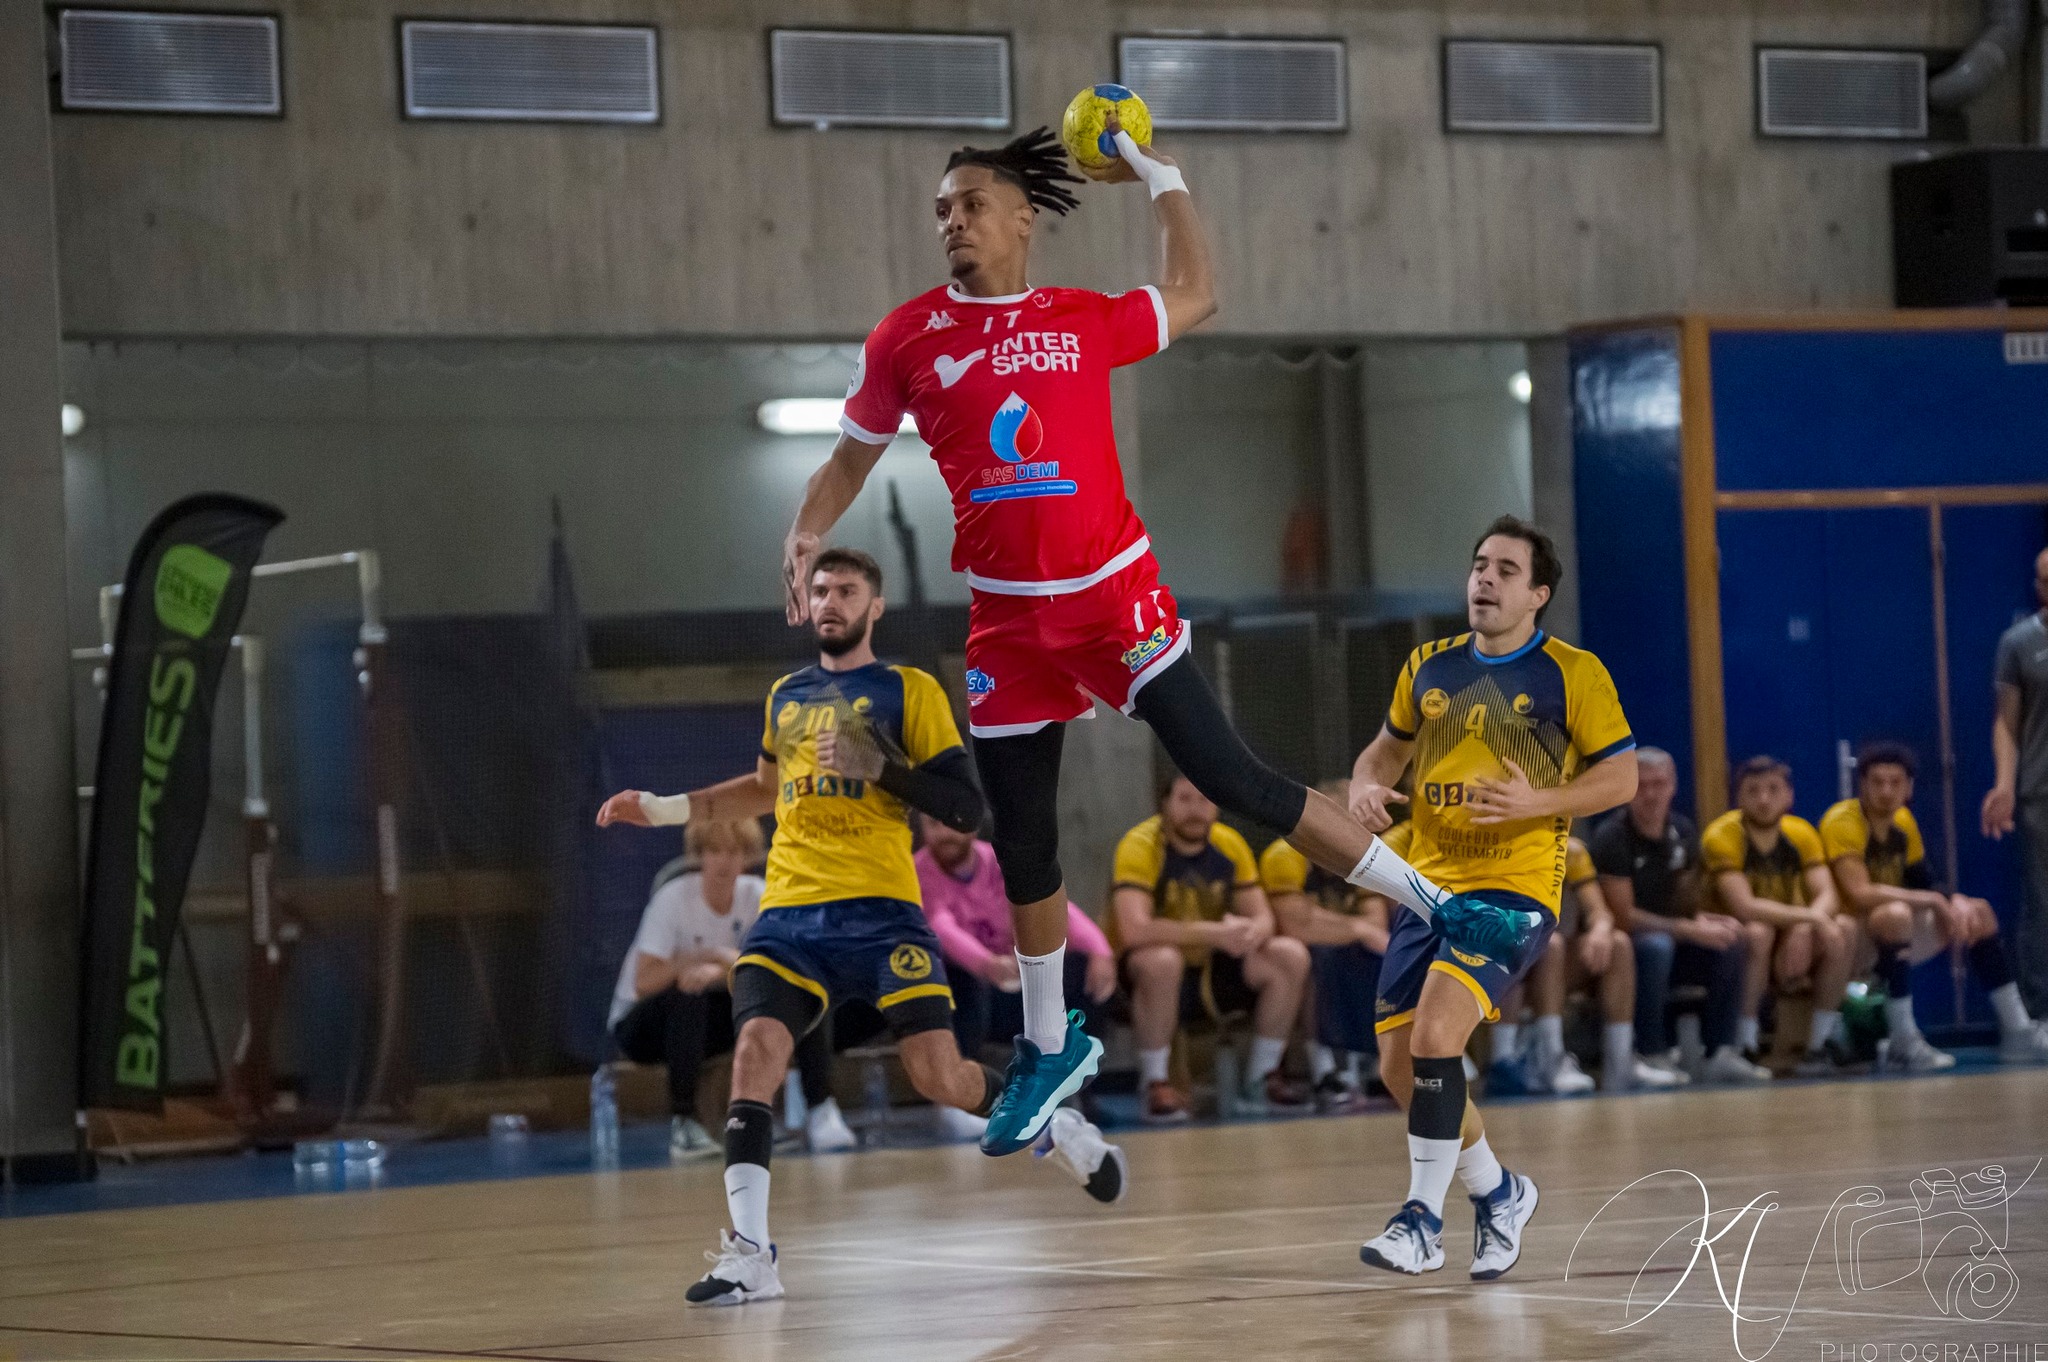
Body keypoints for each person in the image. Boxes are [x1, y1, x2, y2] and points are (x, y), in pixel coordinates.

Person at [781, 121, 1470, 1159]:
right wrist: (804, 527)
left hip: (1111, 597)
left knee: (1230, 775)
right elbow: (849, 457)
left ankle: (1439, 905)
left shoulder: (1079, 317)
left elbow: (1197, 290)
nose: (952, 223)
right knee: (1022, 839)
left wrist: (1160, 177)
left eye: (969, 205)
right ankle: (1049, 1047)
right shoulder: (906, 338)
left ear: (1023, 220)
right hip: (1008, 617)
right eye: (939, 211)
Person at [596, 548, 1127, 1307]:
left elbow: (968, 810)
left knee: (938, 1075)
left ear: (873, 607)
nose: (830, 600)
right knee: (754, 1054)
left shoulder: (907, 690)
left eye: (846, 589)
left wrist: (879, 768)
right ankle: (752, 1253)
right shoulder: (786, 694)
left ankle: (1058, 1128)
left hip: (882, 914)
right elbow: (762, 790)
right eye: (820, 589)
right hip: (789, 917)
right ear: (806, 604)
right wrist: (664, 807)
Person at [1348, 517, 1639, 1280]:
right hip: (1426, 887)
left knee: (1438, 1039)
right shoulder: (1428, 667)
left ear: (1538, 594)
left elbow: (1621, 778)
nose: (1485, 579)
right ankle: (1500, 1193)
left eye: (1506, 570)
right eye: (1479, 565)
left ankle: (1419, 1220)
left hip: (1513, 889)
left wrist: (1537, 800)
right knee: (1397, 1067)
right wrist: (1366, 783)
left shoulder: (1573, 673)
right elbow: (1386, 747)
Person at [609, 818, 854, 1158]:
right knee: (688, 995)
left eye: (733, 851)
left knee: (802, 991)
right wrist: (704, 956)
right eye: (714, 851)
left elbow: (784, 967)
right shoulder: (674, 898)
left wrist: (723, 965)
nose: (723, 861)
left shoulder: (758, 895)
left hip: (710, 1023)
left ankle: (819, 1108)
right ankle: (684, 1124)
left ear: (748, 856)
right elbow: (644, 981)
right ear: (699, 856)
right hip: (643, 1027)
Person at [1822, 742, 2048, 1069]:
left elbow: (1926, 882)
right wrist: (1931, 900)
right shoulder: (1843, 821)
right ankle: (1902, 1037)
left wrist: (1953, 901)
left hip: (1888, 936)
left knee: (1978, 911)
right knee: (1895, 914)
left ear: (1909, 787)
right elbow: (1859, 893)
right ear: (1862, 786)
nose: (1886, 791)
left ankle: (2018, 1031)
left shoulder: (1903, 821)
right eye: (1877, 782)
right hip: (1849, 940)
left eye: (1895, 782)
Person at [1111, 774, 1311, 1122]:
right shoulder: (1140, 845)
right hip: (1143, 977)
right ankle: (1155, 1082)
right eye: (1185, 800)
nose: (1195, 810)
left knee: (1289, 955)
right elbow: (1135, 930)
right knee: (1163, 960)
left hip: (1213, 971)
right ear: (1165, 804)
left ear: (1216, 807)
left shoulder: (1229, 844)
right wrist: (1214, 932)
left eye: (1203, 801)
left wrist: (1250, 931)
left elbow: (1263, 917)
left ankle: (1261, 1079)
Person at [1592, 748, 1766, 1085]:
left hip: (1675, 936)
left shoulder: (1683, 831)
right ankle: (1651, 1052)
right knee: (1656, 946)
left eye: (1660, 784)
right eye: (1642, 786)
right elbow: (1623, 916)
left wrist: (1708, 921)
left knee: (1732, 940)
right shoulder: (1612, 837)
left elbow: (1686, 904)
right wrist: (1686, 929)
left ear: (1673, 786)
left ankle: (1721, 1051)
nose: (1652, 794)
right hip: (1628, 946)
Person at [913, 812, 1116, 1072]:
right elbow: (941, 927)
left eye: (953, 824)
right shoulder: (918, 871)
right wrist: (986, 964)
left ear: (973, 827)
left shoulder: (1000, 861)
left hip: (1018, 977)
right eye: (934, 824)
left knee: (1084, 970)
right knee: (954, 981)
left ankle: (1076, 1080)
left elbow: (1046, 906)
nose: (945, 834)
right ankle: (959, 1083)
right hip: (969, 989)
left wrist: (1098, 949)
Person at [1701, 756, 1855, 1076]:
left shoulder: (1800, 834)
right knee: (1759, 931)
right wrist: (1808, 920)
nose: (1763, 799)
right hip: (1731, 945)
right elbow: (1744, 907)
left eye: (1773, 789)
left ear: (1789, 796)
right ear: (1737, 798)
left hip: (1787, 940)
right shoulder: (1722, 836)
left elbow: (1828, 893)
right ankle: (1745, 1043)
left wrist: (1804, 925)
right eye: (1753, 791)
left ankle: (1818, 1046)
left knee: (1845, 927)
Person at [1261, 780, 1388, 1113]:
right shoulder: (1285, 855)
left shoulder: (1365, 856)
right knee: (1320, 956)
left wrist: (1351, 929)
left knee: (1382, 952)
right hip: (1284, 958)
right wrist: (1355, 927)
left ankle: (1376, 1065)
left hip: (1344, 952)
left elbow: (1375, 925)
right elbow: (1296, 925)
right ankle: (1326, 1073)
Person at [1984, 546, 2048, 1022]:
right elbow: (2007, 723)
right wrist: (2004, 784)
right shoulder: (2019, 643)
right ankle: (2040, 1011)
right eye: (2043, 580)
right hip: (2039, 790)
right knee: (2042, 901)